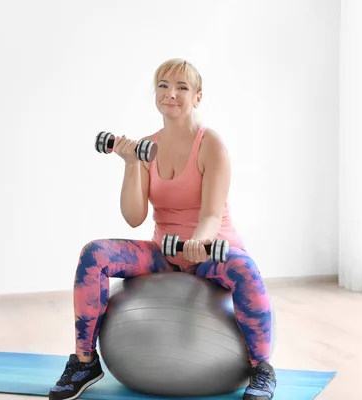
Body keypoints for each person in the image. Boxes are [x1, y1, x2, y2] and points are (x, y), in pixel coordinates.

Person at [48, 58, 276, 400]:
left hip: (210, 248)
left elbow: (213, 213)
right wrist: (130, 163)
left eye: (182, 87)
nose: (171, 94)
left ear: (198, 97)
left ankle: (262, 369)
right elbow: (134, 216)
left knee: (245, 270)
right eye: (164, 86)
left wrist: (199, 242)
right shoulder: (145, 147)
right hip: (165, 250)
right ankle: (84, 362)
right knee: (94, 254)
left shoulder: (211, 144)